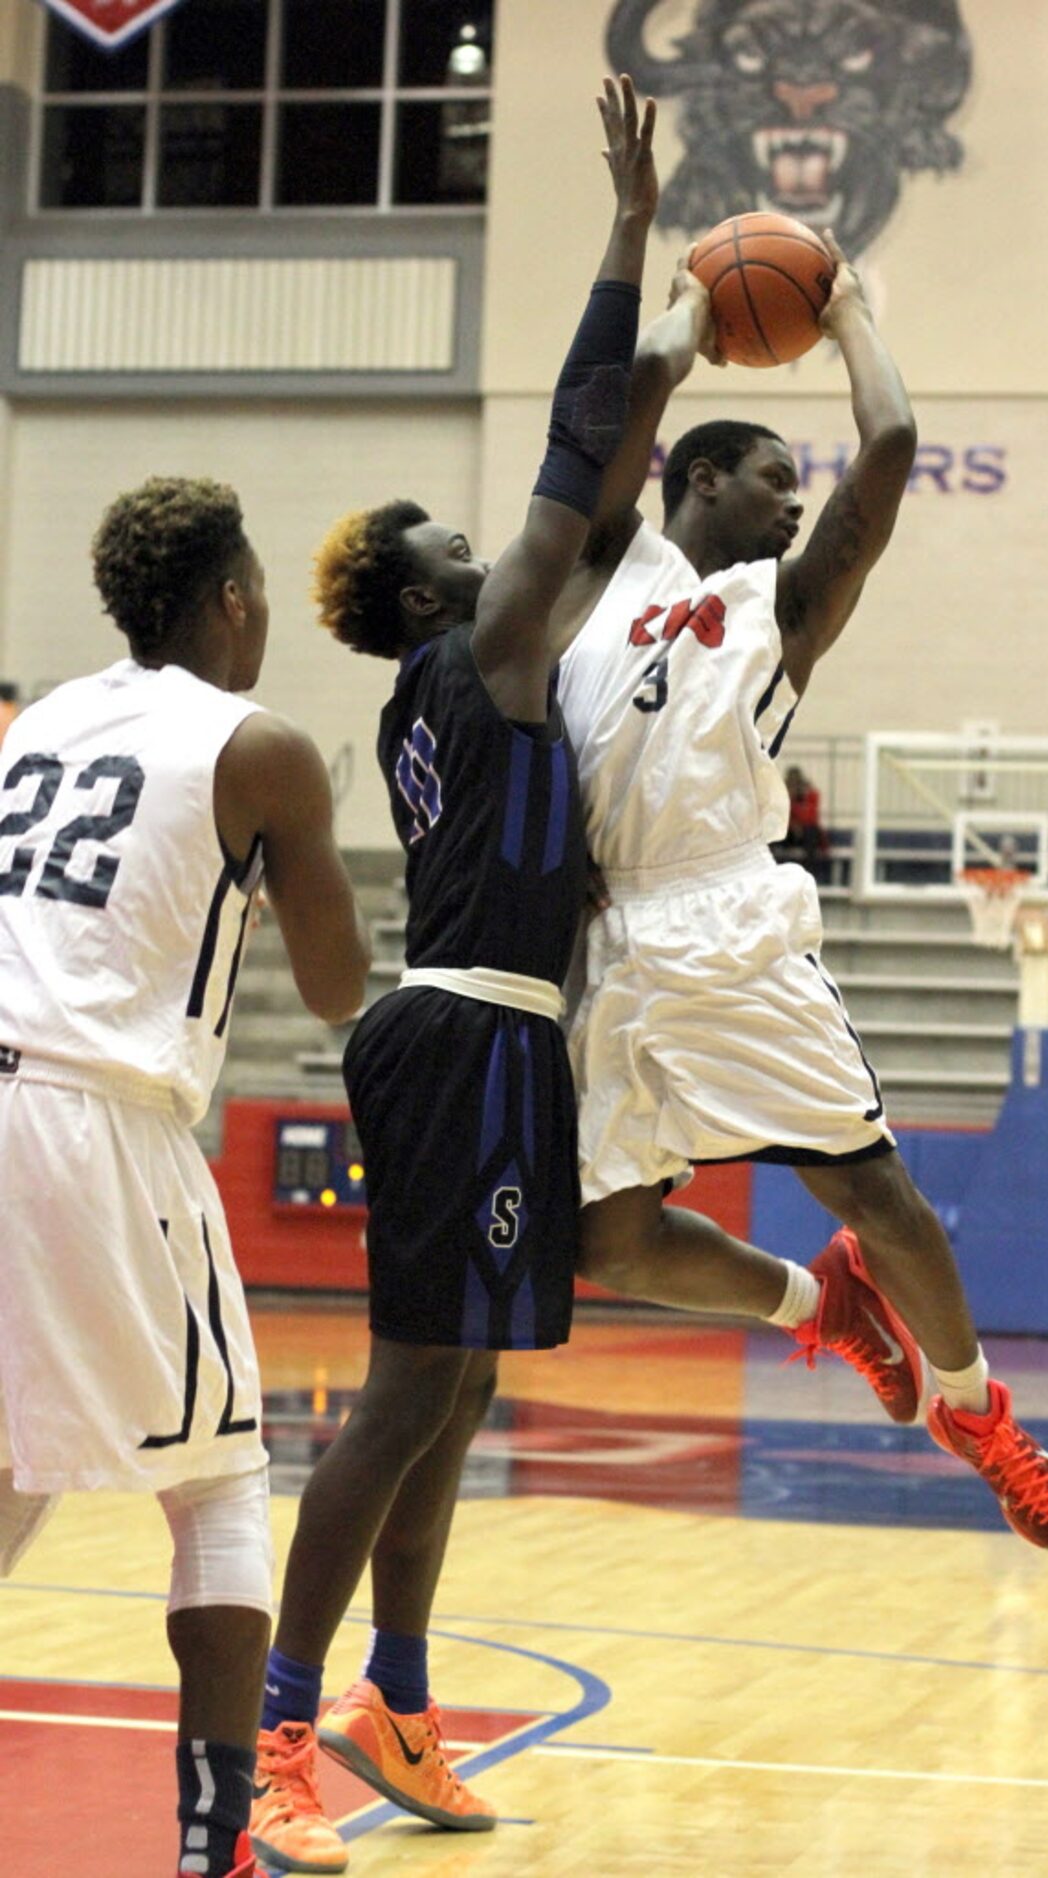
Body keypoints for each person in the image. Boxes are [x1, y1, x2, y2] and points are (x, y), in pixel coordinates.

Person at [247, 76, 657, 1874]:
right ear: (422, 592)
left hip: (500, 1039)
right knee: (407, 1393)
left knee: (460, 1388)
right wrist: (638, 249)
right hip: (465, 1034)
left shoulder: (489, 665)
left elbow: (611, 502)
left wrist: (659, 372)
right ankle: (275, 1732)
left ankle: (395, 1703)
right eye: (443, 537)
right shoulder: (478, 652)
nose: (473, 541)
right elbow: (581, 459)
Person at [547, 247, 1048, 1555]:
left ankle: (973, 1410)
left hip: (723, 916)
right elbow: (618, 408)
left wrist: (841, 313)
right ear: (695, 479)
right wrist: (686, 304)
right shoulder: (593, 570)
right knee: (606, 1243)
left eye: (799, 484)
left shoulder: (776, 605)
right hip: (604, 937)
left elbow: (890, 440)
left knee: (873, 1187)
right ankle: (820, 1307)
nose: (794, 506)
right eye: (769, 480)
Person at [0, 475, 372, 1878]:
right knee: (219, 1482)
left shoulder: (43, 718)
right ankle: (215, 1848)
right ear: (229, 597)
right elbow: (337, 989)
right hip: (96, 1122)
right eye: (261, 588)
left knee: (7, 1473)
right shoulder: (261, 745)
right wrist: (274, 882)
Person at [773, 762, 829, 881]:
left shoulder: (809, 794)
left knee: (811, 834)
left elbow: (811, 817)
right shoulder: (781, 794)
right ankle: (772, 875)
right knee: (772, 836)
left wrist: (801, 800)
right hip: (788, 832)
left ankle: (810, 875)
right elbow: (778, 815)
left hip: (805, 833)